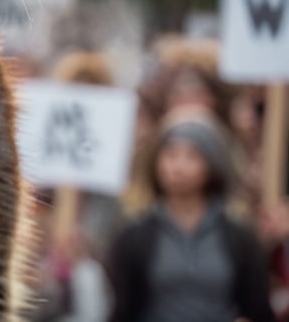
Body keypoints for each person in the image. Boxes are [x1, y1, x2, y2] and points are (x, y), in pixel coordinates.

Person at [105, 110, 274, 322]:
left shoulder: (239, 236)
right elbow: (122, 308)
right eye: (171, 155)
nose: (178, 167)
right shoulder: (134, 236)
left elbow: (256, 306)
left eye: (192, 156)